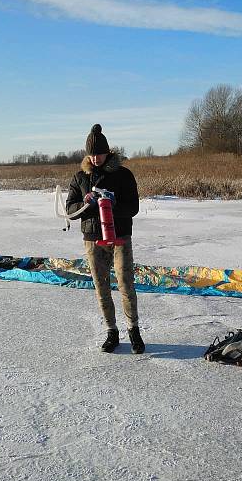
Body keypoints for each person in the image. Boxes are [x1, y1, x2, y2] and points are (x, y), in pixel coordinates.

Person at [66, 124, 145, 354]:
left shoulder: (123, 175)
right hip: (92, 238)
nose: (95, 158)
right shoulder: (80, 177)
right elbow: (70, 208)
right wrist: (86, 203)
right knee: (101, 286)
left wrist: (111, 205)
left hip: (119, 236)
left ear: (107, 151)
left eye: (99, 153)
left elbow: (134, 207)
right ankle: (112, 332)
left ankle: (134, 330)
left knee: (125, 283)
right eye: (91, 154)